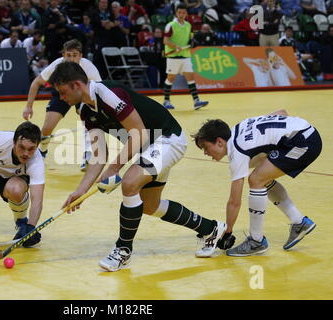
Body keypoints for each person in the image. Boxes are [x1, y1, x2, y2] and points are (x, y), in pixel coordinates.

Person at [49, 61, 227, 272]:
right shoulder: (85, 112)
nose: (61, 98)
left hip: (167, 138)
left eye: (62, 92)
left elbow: (139, 131)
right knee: (150, 205)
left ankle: (123, 250)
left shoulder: (108, 94)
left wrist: (114, 169)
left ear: (77, 85)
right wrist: (80, 190)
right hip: (148, 147)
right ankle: (211, 228)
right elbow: (99, 155)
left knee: (130, 183)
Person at [192, 110, 322, 256]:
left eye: (205, 147)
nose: (205, 153)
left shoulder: (237, 152)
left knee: (256, 180)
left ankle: (256, 241)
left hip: (303, 143)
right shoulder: (238, 128)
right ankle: (299, 222)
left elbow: (234, 202)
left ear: (220, 142)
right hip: (305, 132)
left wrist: (227, 232)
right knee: (261, 175)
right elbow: (282, 112)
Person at [23, 39, 101, 171]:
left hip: (82, 95)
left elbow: (99, 87)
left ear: (80, 56)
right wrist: (28, 106)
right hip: (62, 95)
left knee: (89, 120)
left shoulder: (87, 66)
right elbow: (37, 82)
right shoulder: (57, 64)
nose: (71, 58)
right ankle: (42, 151)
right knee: (47, 128)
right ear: (63, 55)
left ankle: (88, 154)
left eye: (75, 55)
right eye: (68, 55)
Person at [162, 4, 208, 110]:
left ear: (186, 14)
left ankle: (196, 101)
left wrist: (193, 42)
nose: (181, 15)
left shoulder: (188, 25)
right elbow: (165, 41)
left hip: (185, 55)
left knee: (190, 77)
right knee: (171, 78)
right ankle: (166, 101)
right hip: (173, 56)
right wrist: (176, 46)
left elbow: (190, 39)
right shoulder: (171, 25)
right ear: (176, 13)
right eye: (179, 13)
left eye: (183, 13)